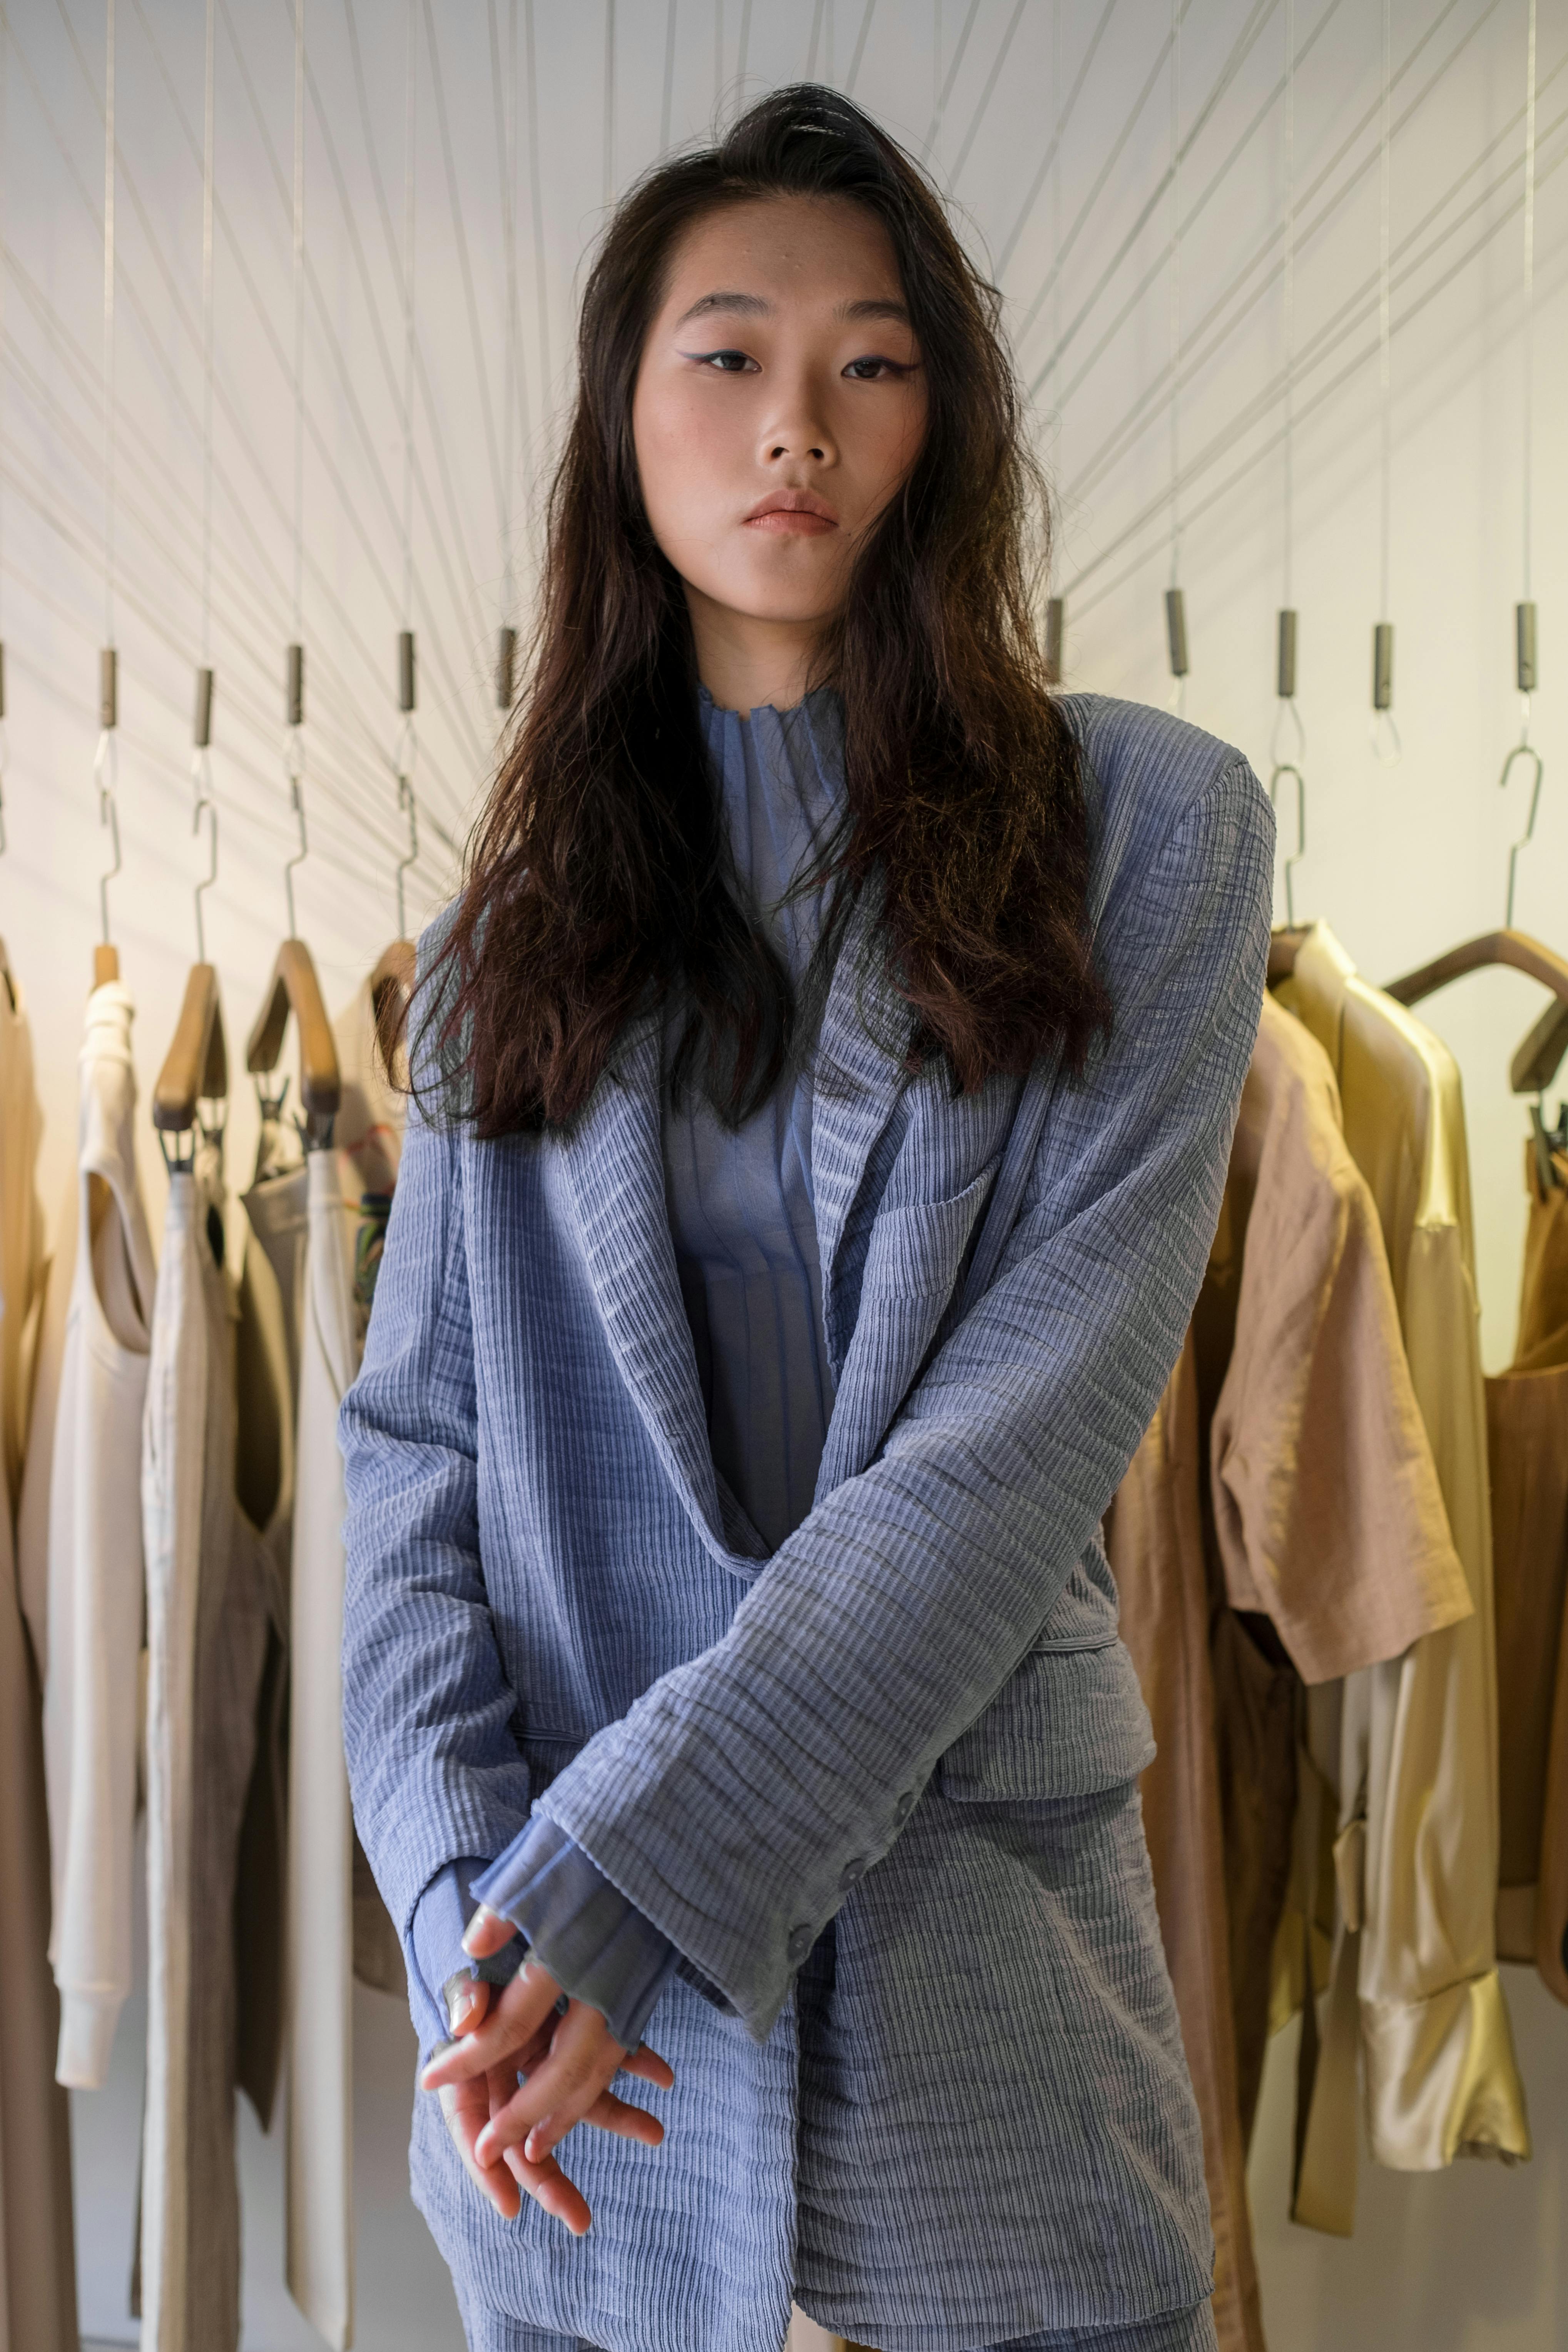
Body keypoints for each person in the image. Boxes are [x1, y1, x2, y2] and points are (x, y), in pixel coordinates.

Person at [340, 83, 1273, 2352]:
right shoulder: (505, 952)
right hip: (581, 2111)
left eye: (872, 360)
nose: (799, 424)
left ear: (938, 422)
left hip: (990, 2062)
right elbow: (409, 1475)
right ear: (622, 427)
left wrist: (635, 1870)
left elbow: (1013, 1454)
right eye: (728, 354)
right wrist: (493, 1912)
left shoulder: (1152, 836)